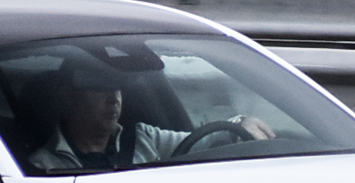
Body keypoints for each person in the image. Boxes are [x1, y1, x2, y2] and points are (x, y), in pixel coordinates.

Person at [24, 57, 271, 173]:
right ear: (68, 97)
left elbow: (203, 142)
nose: (114, 98)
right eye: (100, 88)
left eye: (117, 88)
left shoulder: (145, 138)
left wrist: (239, 124)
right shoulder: (43, 165)